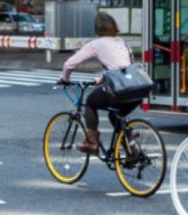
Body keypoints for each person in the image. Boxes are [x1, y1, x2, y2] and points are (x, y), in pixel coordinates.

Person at [58, 12, 136, 154]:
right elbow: (124, 68)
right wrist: (101, 80)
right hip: (136, 90)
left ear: (97, 29)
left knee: (91, 102)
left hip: (119, 90)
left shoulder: (96, 44)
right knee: (115, 115)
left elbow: (69, 64)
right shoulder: (122, 42)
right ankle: (133, 150)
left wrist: (65, 79)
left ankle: (92, 142)